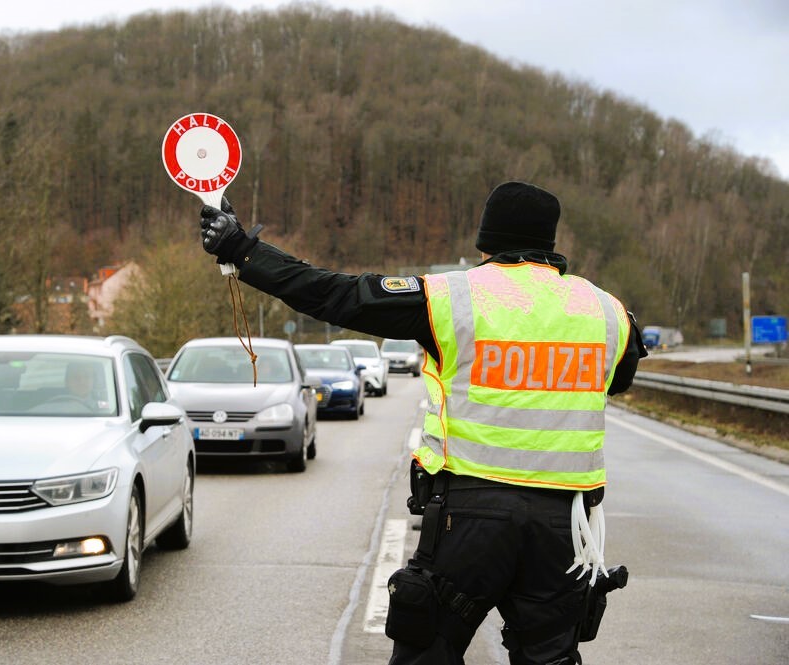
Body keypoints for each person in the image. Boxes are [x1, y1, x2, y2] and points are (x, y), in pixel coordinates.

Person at [198, 181, 647, 665]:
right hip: (564, 528)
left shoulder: (452, 297)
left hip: (469, 518)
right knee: (550, 657)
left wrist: (243, 251)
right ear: (550, 243)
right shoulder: (607, 311)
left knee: (426, 651)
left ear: (485, 243)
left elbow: (335, 295)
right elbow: (616, 382)